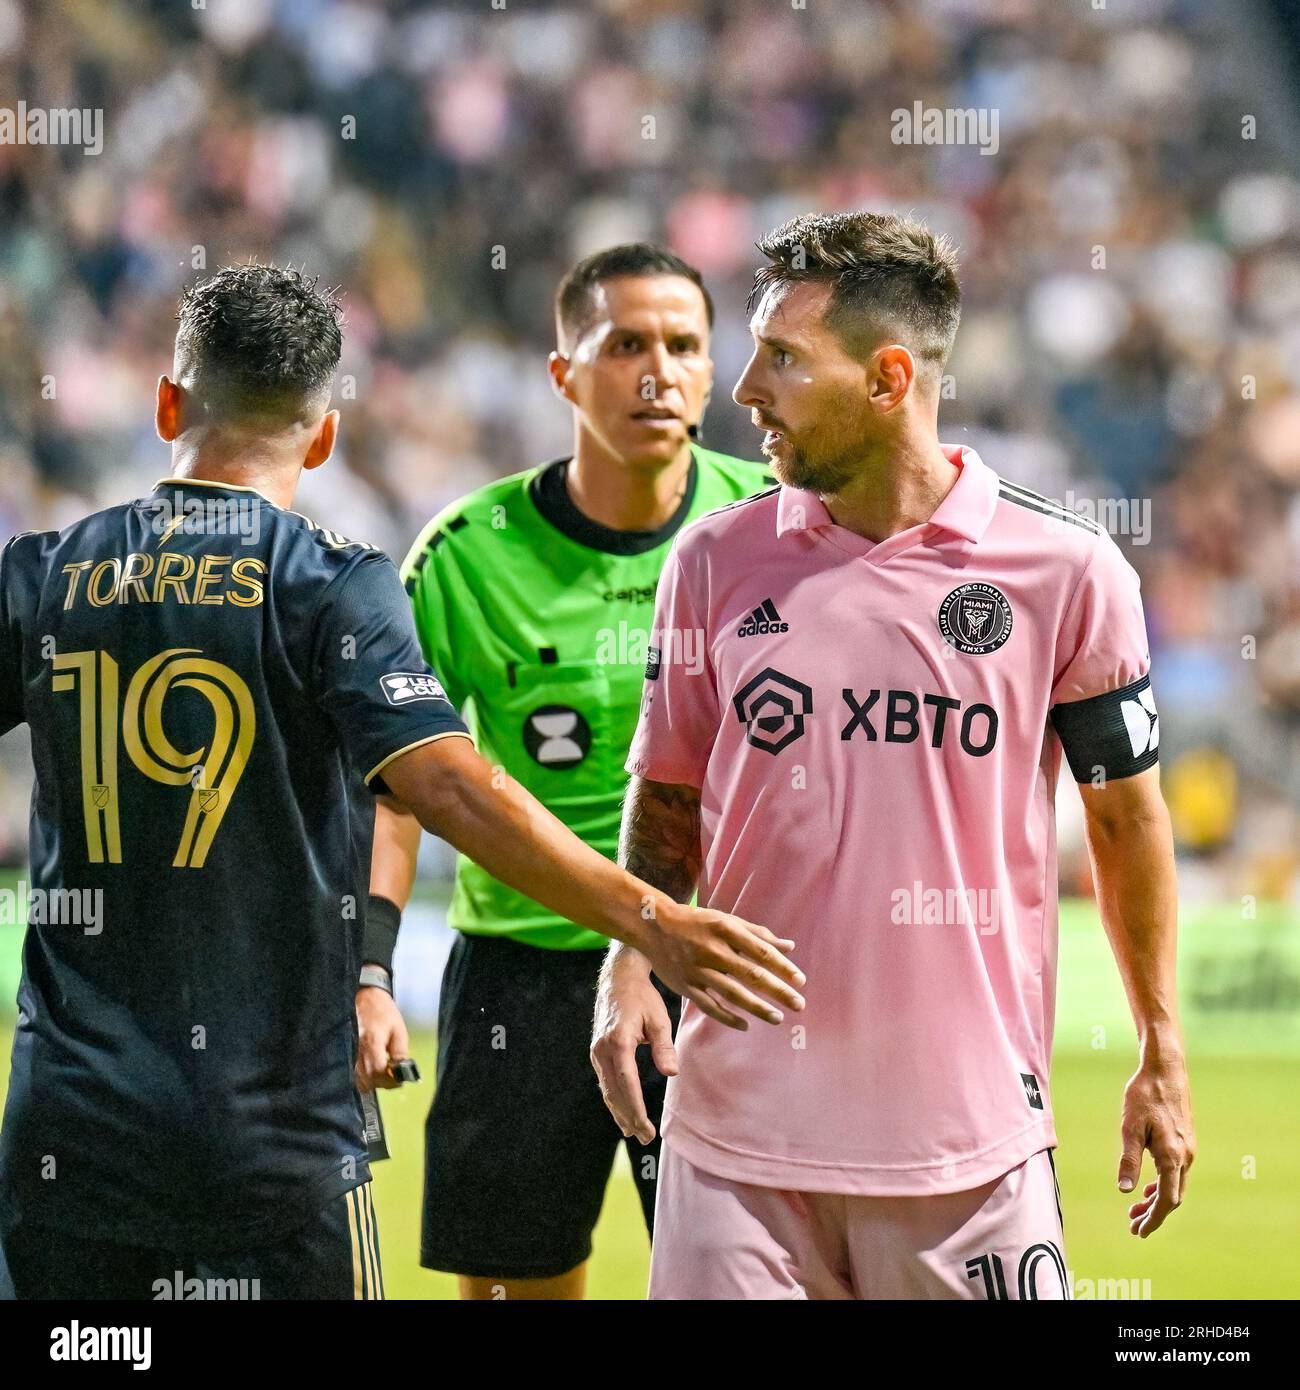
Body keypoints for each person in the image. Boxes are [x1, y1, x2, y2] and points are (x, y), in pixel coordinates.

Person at [0, 263, 801, 1301]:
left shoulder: (46, 572)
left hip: (71, 1123)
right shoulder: (327, 582)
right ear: (323, 433)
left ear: (167, 406)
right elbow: (447, 787)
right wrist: (648, 914)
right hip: (272, 1130)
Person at [591, 212, 1196, 1300]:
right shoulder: (713, 561)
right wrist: (633, 951)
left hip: (965, 1149)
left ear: (887, 378)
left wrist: (1160, 1042)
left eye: (782, 358)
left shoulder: (1065, 571)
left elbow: (1125, 819)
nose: (744, 392)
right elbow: (669, 787)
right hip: (733, 1150)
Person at [359, 244, 775, 1300]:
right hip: (525, 975)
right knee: (514, 1289)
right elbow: (394, 781)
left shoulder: (770, 526)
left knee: (757, 1282)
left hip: (714, 968)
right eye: (624, 343)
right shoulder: (464, 553)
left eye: (684, 346)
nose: (657, 373)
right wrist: (367, 963)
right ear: (562, 374)